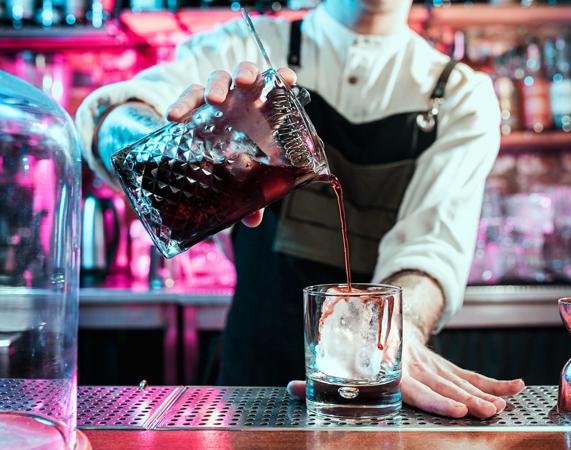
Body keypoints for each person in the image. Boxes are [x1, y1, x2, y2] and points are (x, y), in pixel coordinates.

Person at [76, 0, 525, 419]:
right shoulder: (246, 47)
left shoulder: (464, 96)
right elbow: (109, 118)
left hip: (386, 380)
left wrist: (391, 337)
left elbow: (431, 247)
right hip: (256, 382)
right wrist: (179, 148)